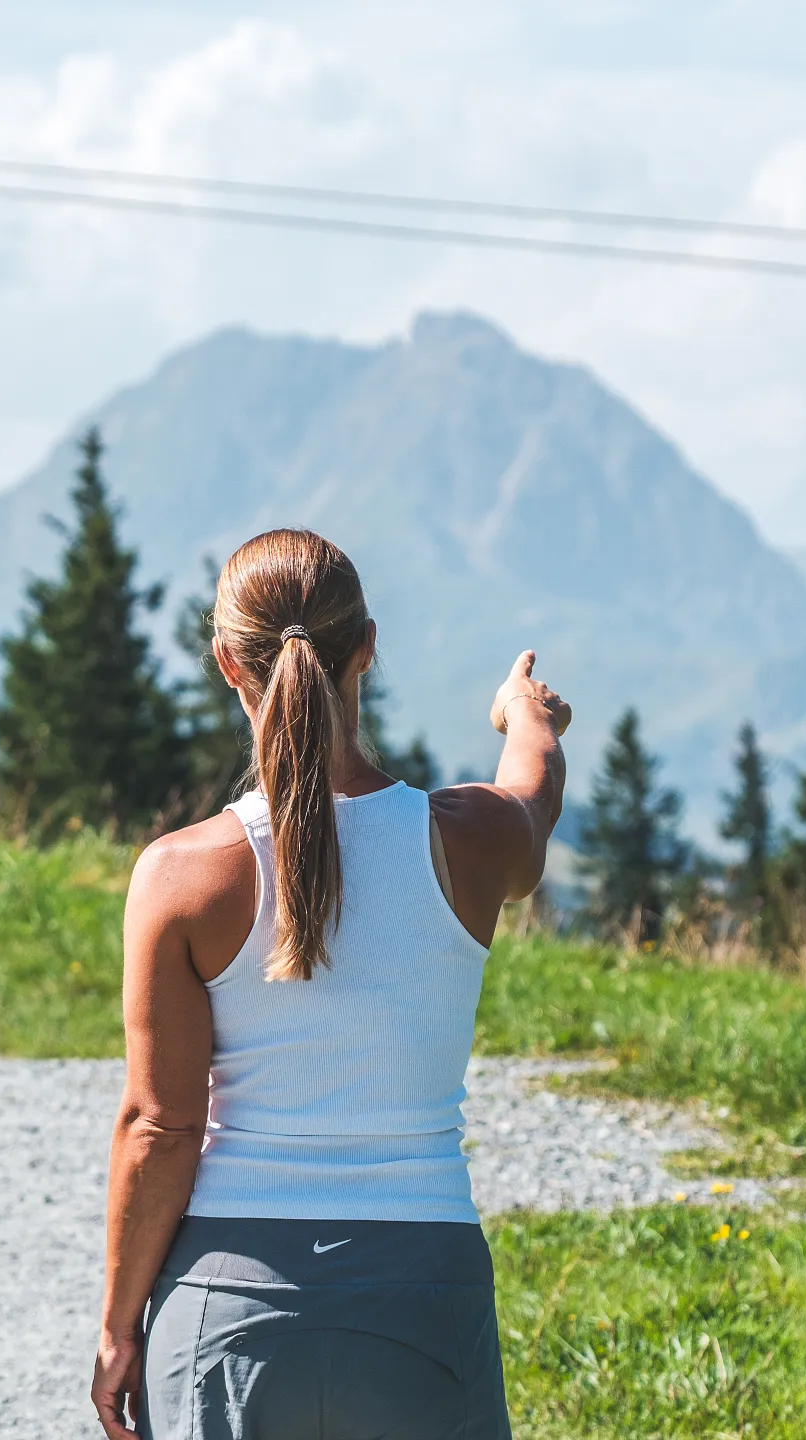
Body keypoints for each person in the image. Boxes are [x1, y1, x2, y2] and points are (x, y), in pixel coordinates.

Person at [92, 528, 571, 1439]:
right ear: (368, 649)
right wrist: (527, 712)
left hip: (226, 1305)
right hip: (425, 1297)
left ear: (229, 663)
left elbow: (160, 1125)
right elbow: (533, 796)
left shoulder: (182, 876)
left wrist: (120, 1329)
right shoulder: (465, 841)